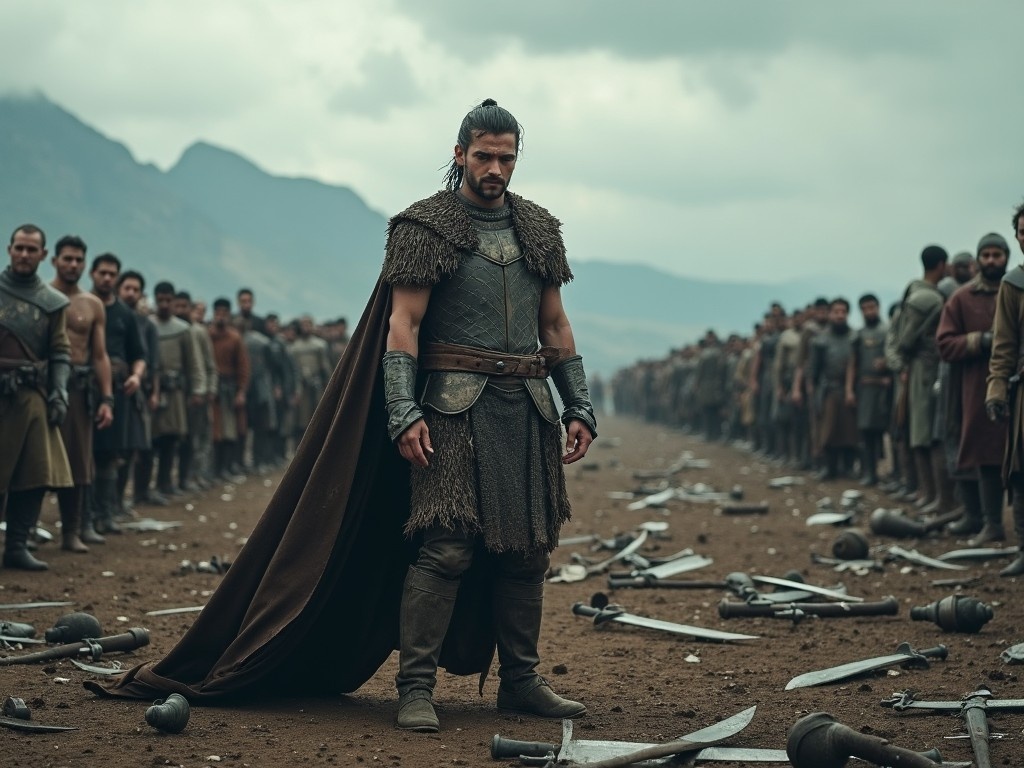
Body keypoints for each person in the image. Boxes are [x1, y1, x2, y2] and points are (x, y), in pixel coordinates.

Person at [88, 100, 595, 733]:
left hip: (525, 408)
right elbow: (402, 327)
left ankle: (520, 680)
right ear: (460, 153)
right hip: (452, 409)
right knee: (446, 548)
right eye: (484, 155)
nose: (496, 168)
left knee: (526, 552)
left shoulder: (539, 229)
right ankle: (416, 687)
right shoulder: (425, 227)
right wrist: (404, 411)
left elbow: (553, 324)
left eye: (507, 157)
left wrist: (577, 403)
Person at [0, 224, 73, 570]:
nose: (25, 255)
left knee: (34, 474)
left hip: (31, 398)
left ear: (44, 255)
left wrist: (58, 393)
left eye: (32, 250)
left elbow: (60, 351)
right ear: (9, 249)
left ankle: (16, 545)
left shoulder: (53, 303)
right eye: (19, 248)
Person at [937, 234, 1008, 544]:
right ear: (978, 260)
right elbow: (945, 343)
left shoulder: (1017, 290)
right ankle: (991, 523)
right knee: (986, 454)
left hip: (1016, 384)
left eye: (997, 255)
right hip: (977, 386)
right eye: (986, 255)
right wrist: (981, 340)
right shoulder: (962, 298)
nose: (991, 260)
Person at [50, 235, 114, 551]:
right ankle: (23, 535)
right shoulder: (40, 296)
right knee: (30, 462)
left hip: (78, 388)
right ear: (54, 260)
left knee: (78, 462)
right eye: (67, 259)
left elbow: (99, 355)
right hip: (41, 386)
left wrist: (106, 398)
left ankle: (71, 532)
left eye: (78, 260)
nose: (72, 265)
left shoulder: (92, 305)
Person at [89, 254, 147, 534]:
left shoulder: (126, 314)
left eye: (112, 274)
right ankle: (83, 518)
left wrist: (136, 375)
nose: (107, 278)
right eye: (103, 273)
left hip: (119, 390)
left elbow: (139, 354)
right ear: (93, 273)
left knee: (110, 455)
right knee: (84, 453)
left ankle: (106, 513)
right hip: (84, 389)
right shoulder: (80, 305)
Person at [894, 246, 950, 512]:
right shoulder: (926, 298)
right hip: (925, 368)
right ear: (941, 264)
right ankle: (931, 493)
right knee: (924, 431)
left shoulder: (920, 294)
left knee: (925, 430)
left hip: (924, 367)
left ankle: (933, 494)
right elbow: (905, 339)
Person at [986, 202, 1024, 576]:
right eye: (1023, 231)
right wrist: (996, 389)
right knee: (1021, 470)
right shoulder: (1014, 285)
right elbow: (1004, 345)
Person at [150, 282, 204, 496]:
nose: (164, 304)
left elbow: (194, 363)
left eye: (167, 300)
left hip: (175, 393)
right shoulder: (147, 325)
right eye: (160, 300)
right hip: (151, 391)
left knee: (171, 440)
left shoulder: (184, 330)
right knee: (149, 441)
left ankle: (166, 483)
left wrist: (198, 389)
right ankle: (143, 489)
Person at [809, 298, 858, 479]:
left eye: (843, 312)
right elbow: (813, 371)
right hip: (829, 390)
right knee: (828, 431)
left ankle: (848, 468)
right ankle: (828, 468)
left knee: (849, 431)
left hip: (849, 390)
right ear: (830, 314)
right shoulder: (820, 341)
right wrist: (814, 393)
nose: (839, 315)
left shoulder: (854, 338)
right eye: (836, 312)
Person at [845, 294, 891, 486]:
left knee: (885, 431)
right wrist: (849, 390)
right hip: (865, 388)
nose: (869, 311)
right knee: (866, 433)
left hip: (883, 388)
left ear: (878, 307)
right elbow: (852, 364)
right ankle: (869, 472)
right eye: (865, 308)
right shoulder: (859, 334)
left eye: (872, 307)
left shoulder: (887, 331)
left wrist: (886, 364)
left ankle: (889, 474)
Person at [208, 298, 250, 478]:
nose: (221, 317)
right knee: (213, 432)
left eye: (224, 313)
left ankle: (225, 468)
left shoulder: (234, 338)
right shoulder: (207, 335)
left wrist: (241, 391)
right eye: (218, 313)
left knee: (230, 431)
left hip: (228, 389)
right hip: (211, 388)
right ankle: (213, 470)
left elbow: (243, 367)